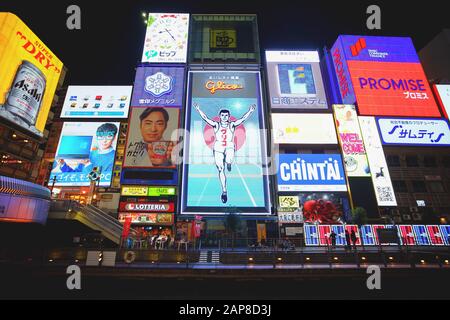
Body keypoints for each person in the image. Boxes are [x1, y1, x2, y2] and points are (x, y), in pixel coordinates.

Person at [193, 102, 256, 204]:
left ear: (229, 116)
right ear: (220, 116)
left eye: (226, 115)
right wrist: (198, 109)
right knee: (221, 169)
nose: (224, 117)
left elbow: (242, 119)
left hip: (229, 147)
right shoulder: (216, 124)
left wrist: (250, 111)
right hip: (218, 148)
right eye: (222, 115)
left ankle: (229, 163)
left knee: (228, 160)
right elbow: (206, 118)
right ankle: (224, 191)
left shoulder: (232, 124)